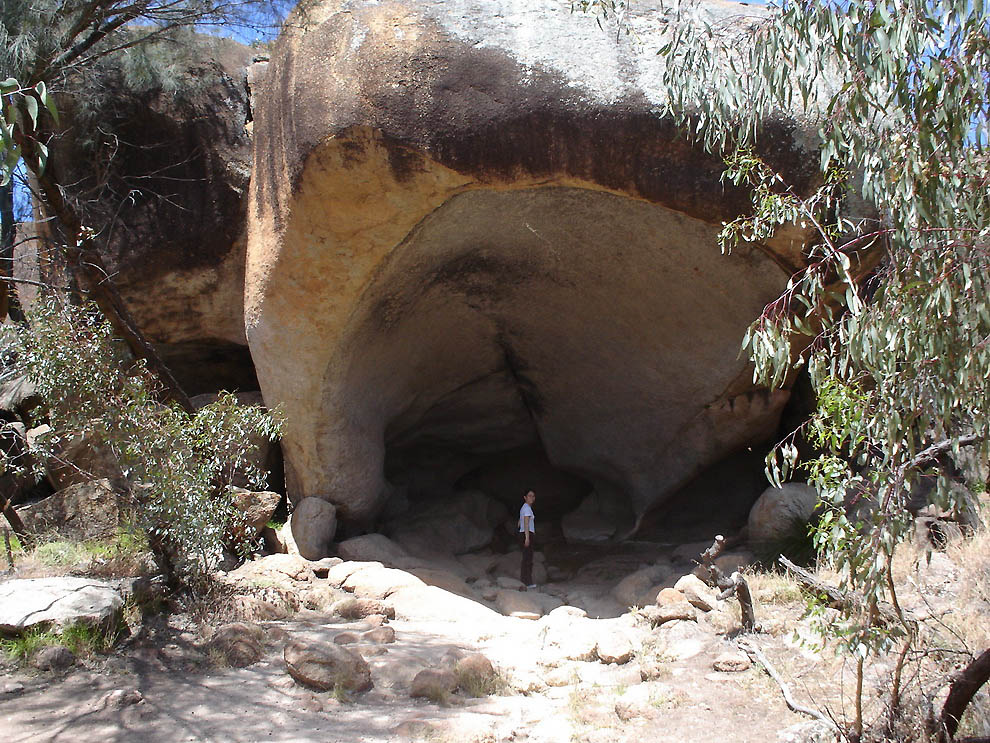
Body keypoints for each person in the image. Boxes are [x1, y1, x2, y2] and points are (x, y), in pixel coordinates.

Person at [518, 490, 536, 588]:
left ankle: (524, 580)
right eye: (529, 496)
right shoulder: (527, 509)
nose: (532, 498)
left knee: (526, 558)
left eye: (533, 496)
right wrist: (527, 538)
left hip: (524, 533)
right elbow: (525, 522)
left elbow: (519, 521)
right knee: (528, 559)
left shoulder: (524, 508)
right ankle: (527, 582)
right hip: (527, 534)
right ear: (525, 497)